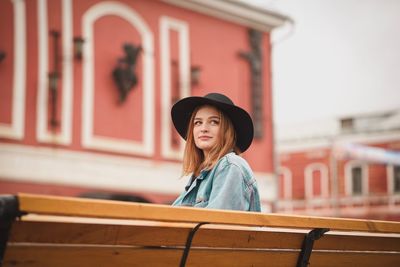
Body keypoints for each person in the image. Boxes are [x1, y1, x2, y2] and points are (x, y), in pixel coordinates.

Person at [171, 92, 261, 212]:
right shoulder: (200, 176)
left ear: (227, 130)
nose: (203, 129)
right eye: (198, 122)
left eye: (214, 122)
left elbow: (217, 225)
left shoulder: (230, 166)